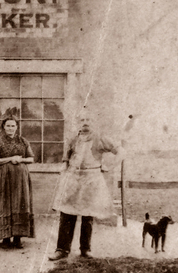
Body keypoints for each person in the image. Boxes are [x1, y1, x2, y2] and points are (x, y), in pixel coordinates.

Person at [48, 109, 122, 261]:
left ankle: (85, 249)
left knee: (88, 215)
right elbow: (66, 158)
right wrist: (64, 169)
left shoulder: (101, 138)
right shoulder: (73, 139)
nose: (86, 122)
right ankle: (62, 249)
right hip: (73, 178)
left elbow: (121, 152)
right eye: (82, 120)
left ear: (93, 122)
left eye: (89, 119)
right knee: (67, 214)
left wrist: (109, 165)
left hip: (91, 179)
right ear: (78, 123)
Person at [0, 115, 35, 249]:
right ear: (3, 127)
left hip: (20, 180)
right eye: (8, 125)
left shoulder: (23, 141)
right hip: (2, 179)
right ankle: (5, 238)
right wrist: (10, 158)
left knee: (20, 204)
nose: (10, 128)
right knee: (4, 204)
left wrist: (20, 160)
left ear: (17, 127)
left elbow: (31, 159)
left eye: (13, 125)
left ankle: (18, 238)